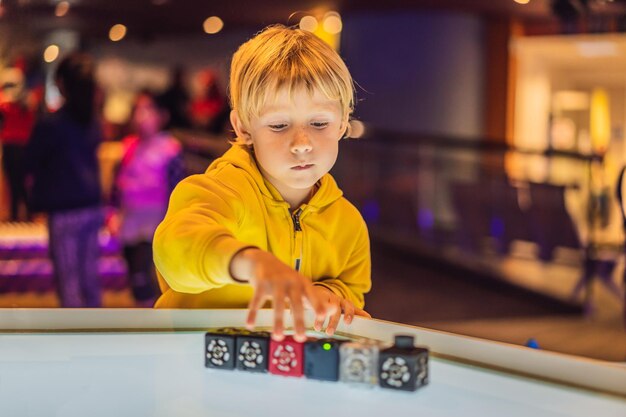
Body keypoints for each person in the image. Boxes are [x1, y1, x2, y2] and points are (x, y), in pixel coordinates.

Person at [153, 25, 372, 341]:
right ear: (243, 128)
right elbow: (174, 251)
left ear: (342, 123)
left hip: (281, 377)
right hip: (192, 370)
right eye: (279, 125)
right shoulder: (219, 191)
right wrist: (248, 262)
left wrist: (329, 294)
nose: (301, 143)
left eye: (319, 123)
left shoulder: (349, 224)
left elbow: (351, 293)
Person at [25, 52, 104, 308]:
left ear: (61, 84)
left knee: (69, 284)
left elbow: (31, 162)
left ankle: (74, 345)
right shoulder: (93, 122)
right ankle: (96, 338)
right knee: (90, 281)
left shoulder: (51, 124)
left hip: (64, 210)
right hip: (91, 206)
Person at [108, 92, 184, 307]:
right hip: (130, 223)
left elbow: (177, 189)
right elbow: (117, 185)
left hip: (156, 225)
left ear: (162, 116)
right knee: (135, 277)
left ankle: (155, 324)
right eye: (138, 110)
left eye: (148, 109)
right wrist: (112, 213)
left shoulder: (170, 149)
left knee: (148, 279)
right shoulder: (129, 146)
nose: (141, 116)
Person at [0, 68, 36, 221]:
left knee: (15, 183)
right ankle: (26, 215)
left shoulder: (4, 104)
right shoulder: (29, 102)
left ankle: (16, 216)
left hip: (12, 146)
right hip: (25, 147)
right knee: (22, 183)